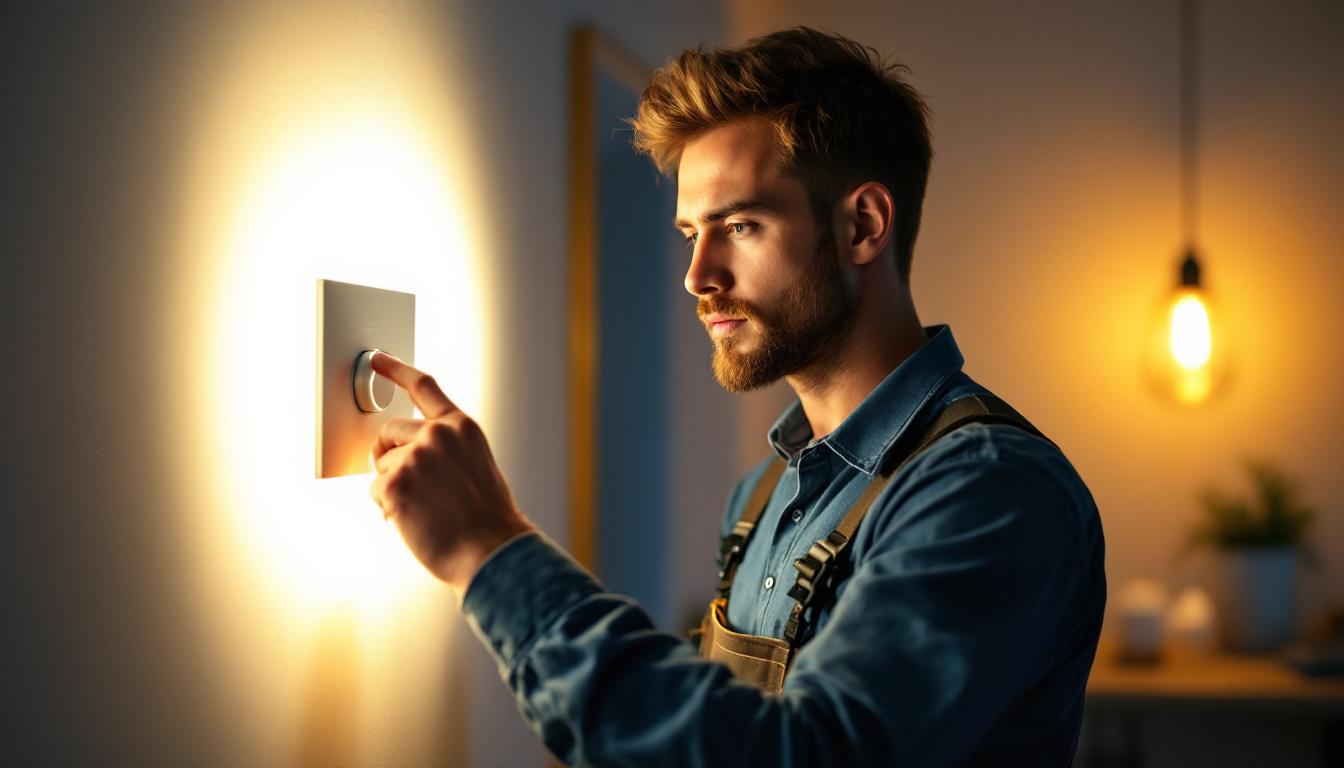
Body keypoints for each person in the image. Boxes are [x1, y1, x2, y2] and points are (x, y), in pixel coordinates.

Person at [367, 26, 1106, 767]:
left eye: (740, 225)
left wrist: (490, 550)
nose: (697, 276)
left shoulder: (990, 490)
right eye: (690, 231)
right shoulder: (760, 498)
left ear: (862, 226)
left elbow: (798, 755)